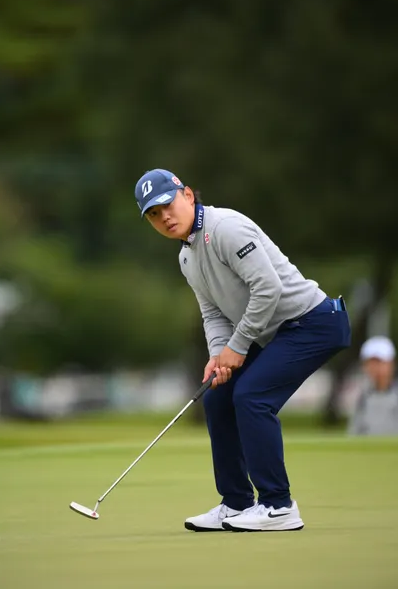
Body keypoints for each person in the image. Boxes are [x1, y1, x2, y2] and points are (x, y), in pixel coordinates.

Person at [135, 169, 351, 532]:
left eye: (167, 205)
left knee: (252, 396)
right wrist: (218, 354)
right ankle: (236, 503)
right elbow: (213, 313)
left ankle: (278, 506)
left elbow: (268, 289)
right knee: (218, 398)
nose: (164, 217)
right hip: (276, 333)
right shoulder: (187, 257)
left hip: (314, 322)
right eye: (154, 214)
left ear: (187, 195)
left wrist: (237, 346)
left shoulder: (225, 228)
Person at [347, 335, 398, 436]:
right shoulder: (364, 397)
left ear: (391, 363)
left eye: (380, 362)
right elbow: (354, 432)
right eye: (371, 363)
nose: (375, 368)